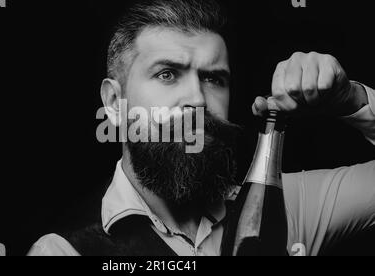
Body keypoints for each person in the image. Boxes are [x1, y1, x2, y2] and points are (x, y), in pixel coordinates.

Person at [28, 0, 374, 256]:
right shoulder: (65, 250)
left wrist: (350, 100)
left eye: (213, 78)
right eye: (167, 74)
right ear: (114, 103)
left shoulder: (284, 207)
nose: (197, 99)